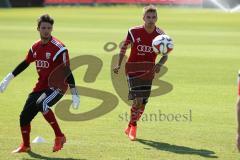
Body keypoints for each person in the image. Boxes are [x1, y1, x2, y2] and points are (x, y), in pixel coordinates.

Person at [0, 14, 80, 153]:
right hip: (42, 85)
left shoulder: (59, 48)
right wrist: (8, 78)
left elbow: (67, 70)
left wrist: (74, 93)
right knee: (24, 116)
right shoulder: (35, 47)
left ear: (52, 29)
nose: (46, 30)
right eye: (43, 27)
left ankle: (59, 136)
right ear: (38, 28)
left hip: (58, 86)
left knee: (42, 104)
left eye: (49, 28)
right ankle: (26, 145)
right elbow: (25, 63)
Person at [113, 5, 169, 141]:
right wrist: (118, 64)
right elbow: (123, 49)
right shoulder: (133, 31)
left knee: (143, 102)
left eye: (153, 17)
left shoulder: (161, 35)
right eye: (148, 17)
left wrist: (160, 64)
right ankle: (134, 128)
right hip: (132, 69)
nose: (151, 20)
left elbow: (166, 54)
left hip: (148, 71)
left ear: (157, 18)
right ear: (143, 18)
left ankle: (130, 125)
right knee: (137, 100)